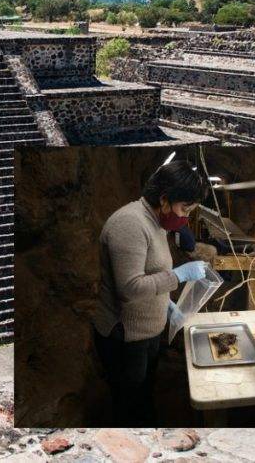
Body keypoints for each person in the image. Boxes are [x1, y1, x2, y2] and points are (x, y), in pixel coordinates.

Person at [91, 160, 210, 426]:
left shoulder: (157, 222)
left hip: (149, 331)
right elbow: (130, 288)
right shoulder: (130, 224)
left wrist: (166, 303)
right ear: (164, 200)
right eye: (184, 208)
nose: (185, 217)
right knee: (129, 405)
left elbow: (151, 271)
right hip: (126, 337)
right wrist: (178, 275)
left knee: (144, 394)